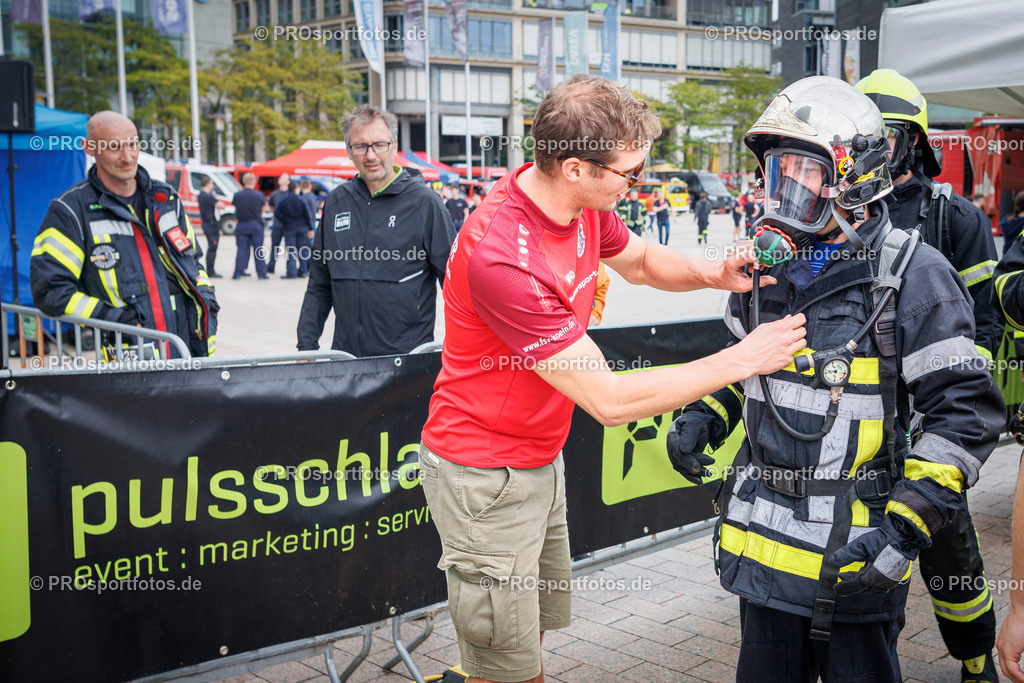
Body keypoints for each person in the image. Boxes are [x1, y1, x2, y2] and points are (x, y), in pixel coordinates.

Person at [418, 74, 807, 683]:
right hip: (483, 473)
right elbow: (610, 399)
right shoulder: (503, 259)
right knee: (507, 665)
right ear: (575, 167)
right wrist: (742, 358)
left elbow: (644, 262)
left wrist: (716, 270)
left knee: (527, 636)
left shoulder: (577, 206)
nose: (640, 183)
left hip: (536, 460)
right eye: (630, 172)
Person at [666, 76, 1004, 683]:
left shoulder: (914, 275)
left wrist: (903, 529)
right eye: (777, 170)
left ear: (853, 178)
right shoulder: (767, 271)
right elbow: (743, 363)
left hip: (856, 562)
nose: (785, 187)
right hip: (763, 557)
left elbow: (965, 417)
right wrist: (704, 414)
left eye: (804, 169)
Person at [857, 69, 1003, 683]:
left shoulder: (956, 219)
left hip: (928, 432)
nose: (870, 150)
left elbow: (989, 324)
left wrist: (947, 411)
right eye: (861, 135)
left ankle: (975, 660)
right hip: (863, 428)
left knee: (950, 553)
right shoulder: (844, 217)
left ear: (913, 143)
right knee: (864, 558)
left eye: (884, 136)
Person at [30, 111, 219, 357]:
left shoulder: (166, 199)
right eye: (113, 147)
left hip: (189, 354)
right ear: (89, 148)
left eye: (132, 144)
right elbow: (50, 291)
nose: (127, 156)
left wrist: (208, 300)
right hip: (130, 367)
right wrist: (116, 320)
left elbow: (194, 264)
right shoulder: (70, 211)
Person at [296, 104, 456, 356]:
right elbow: (319, 284)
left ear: (393, 145)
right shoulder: (336, 202)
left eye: (379, 144)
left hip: (407, 360)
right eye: (360, 146)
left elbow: (454, 284)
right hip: (346, 358)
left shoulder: (425, 203)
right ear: (349, 151)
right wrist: (306, 347)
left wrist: (462, 349)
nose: (370, 155)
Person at [231, 172, 269, 280]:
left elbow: (236, 209)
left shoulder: (237, 195)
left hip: (242, 224)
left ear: (243, 182)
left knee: (241, 249)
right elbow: (263, 210)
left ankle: (238, 273)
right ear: (254, 181)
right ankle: (261, 274)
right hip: (255, 225)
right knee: (258, 250)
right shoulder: (259, 195)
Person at [274, 181, 315, 279]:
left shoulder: (283, 201)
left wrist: (284, 221)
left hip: (289, 227)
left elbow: (276, 213)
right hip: (302, 227)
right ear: (296, 189)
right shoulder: (301, 201)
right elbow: (307, 215)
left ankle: (291, 272)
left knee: (291, 250)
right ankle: (303, 270)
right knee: (303, 250)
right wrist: (310, 228)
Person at [197, 176, 224, 278]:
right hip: (211, 225)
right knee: (212, 247)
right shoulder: (208, 196)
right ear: (208, 184)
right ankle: (210, 270)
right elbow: (221, 205)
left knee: (212, 247)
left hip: (207, 224)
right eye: (212, 183)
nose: (213, 186)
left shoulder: (201, 195)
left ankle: (210, 269)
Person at [265, 173, 290, 274]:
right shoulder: (274, 194)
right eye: (281, 178)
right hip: (277, 224)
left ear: (288, 181)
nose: (282, 180)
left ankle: (290, 269)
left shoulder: (290, 194)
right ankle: (271, 267)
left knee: (290, 247)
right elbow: (271, 208)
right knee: (275, 247)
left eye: (285, 178)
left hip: (288, 225)